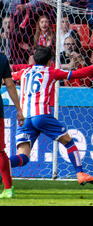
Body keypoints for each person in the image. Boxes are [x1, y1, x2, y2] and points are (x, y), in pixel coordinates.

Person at [9, 46, 93, 189]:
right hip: (41, 115)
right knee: (68, 142)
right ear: (50, 61)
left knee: (23, 156)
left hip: (24, 118)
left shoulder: (23, 72)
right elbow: (80, 74)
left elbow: (10, 75)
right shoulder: (51, 71)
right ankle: (80, 174)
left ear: (34, 59)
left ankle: (2, 164)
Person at [0, 53, 25, 199]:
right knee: (0, 151)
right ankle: (8, 188)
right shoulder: (2, 58)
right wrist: (19, 109)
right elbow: (9, 84)